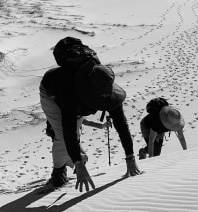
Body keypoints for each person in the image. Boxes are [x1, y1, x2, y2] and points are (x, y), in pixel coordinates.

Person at [39, 36, 141, 192]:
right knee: (62, 137)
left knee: (73, 136)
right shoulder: (70, 94)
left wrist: (130, 157)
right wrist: (79, 164)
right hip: (50, 93)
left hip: (76, 97)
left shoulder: (105, 85)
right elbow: (68, 131)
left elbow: (122, 125)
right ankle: (58, 174)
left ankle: (73, 158)